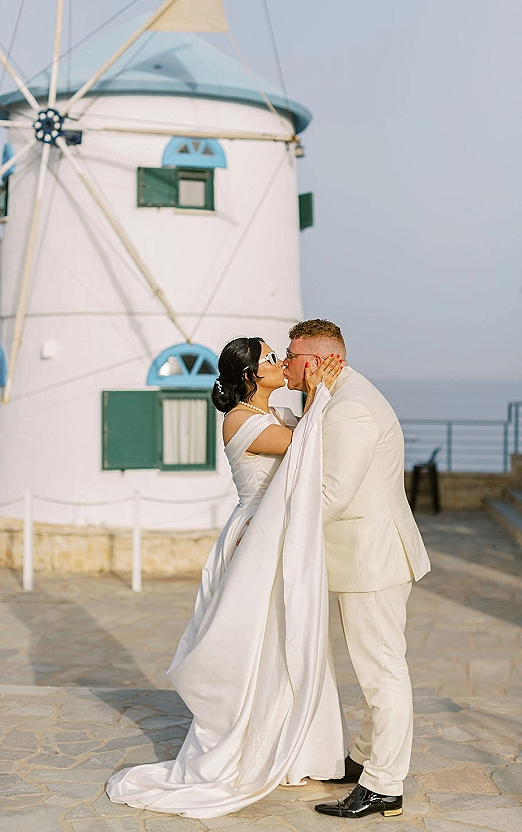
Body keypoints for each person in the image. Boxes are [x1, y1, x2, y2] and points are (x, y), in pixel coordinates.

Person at [106, 337, 347, 818]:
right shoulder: (240, 419)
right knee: (250, 647)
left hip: (280, 538)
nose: (281, 363)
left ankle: (294, 749)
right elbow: (307, 447)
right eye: (271, 358)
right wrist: (320, 392)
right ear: (250, 374)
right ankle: (243, 747)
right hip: (255, 542)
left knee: (285, 639)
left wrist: (321, 395)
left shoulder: (278, 415)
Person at [283, 320, 431, 820]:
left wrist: (273, 537)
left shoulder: (351, 409)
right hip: (364, 555)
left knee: (382, 671)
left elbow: (330, 494)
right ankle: (365, 760)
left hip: (373, 558)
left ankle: (385, 785)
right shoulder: (334, 397)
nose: (287, 364)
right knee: (375, 668)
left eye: (294, 356)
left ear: (328, 360)